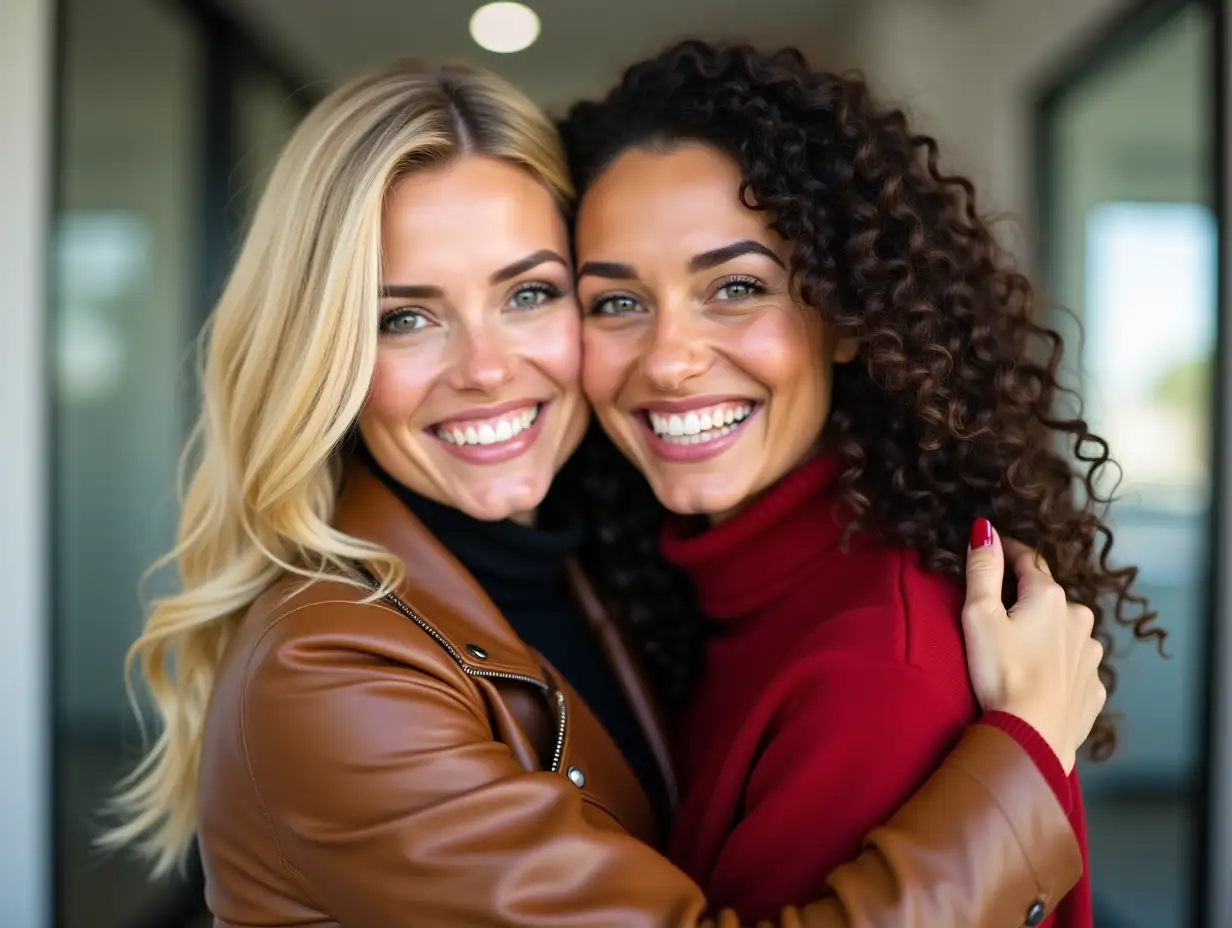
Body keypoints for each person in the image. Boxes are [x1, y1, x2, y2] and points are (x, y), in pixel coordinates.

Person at [102, 58, 1104, 927]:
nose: (488, 369)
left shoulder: (597, 565)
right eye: (405, 318)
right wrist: (1019, 764)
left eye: (530, 294)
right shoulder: (330, 671)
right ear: (321, 355)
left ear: (848, 312)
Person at [562, 40, 1160, 928]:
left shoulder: (878, 665)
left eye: (734, 287)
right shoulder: (688, 585)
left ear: (845, 317)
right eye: (616, 301)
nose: (670, 360)